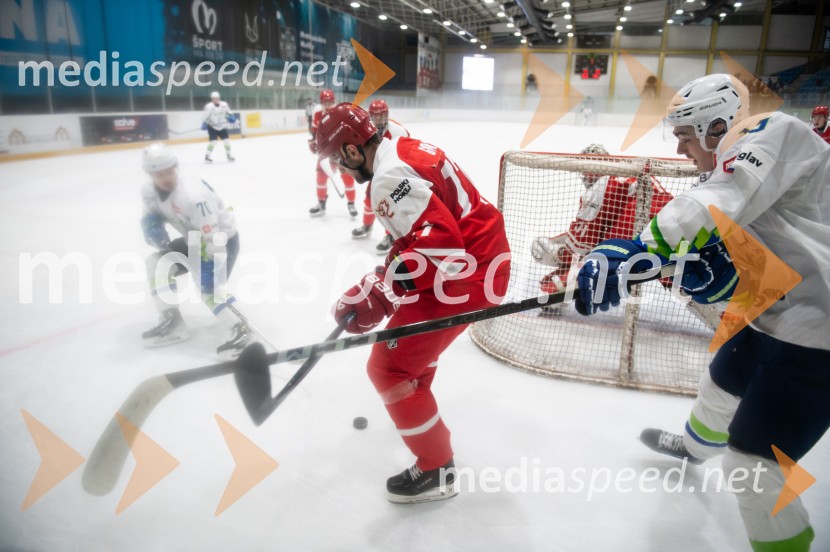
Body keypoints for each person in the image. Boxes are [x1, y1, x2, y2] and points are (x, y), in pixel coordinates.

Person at [576, 74, 830, 551]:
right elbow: (738, 245)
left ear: (717, 127)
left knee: (754, 467)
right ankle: (695, 448)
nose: (680, 149)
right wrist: (704, 273)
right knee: (719, 384)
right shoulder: (734, 168)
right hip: (782, 308)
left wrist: (640, 249)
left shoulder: (773, 131)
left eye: (685, 136)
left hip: (820, 332)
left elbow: (716, 202)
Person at [316, 103, 511, 504]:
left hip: (469, 274)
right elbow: (425, 237)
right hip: (477, 262)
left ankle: (437, 469)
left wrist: (385, 286)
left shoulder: (388, 177)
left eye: (338, 159)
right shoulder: (402, 147)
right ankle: (417, 405)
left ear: (352, 150)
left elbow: (442, 247)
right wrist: (384, 277)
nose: (339, 169)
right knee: (408, 358)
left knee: (388, 369)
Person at [531, 143, 673, 316]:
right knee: (673, 268)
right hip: (673, 221)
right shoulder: (629, 173)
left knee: (597, 259)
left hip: (640, 228)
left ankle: (555, 295)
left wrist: (556, 254)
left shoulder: (602, 185)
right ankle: (680, 285)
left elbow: (581, 246)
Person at [140, 143, 253, 359]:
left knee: (207, 286)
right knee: (157, 264)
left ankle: (241, 328)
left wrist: (210, 268)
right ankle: (173, 322)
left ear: (175, 167)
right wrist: (151, 226)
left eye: (169, 171)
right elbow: (150, 214)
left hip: (221, 241)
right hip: (193, 240)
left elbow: (214, 237)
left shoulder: (193, 196)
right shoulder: (149, 192)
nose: (166, 177)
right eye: (160, 174)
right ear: (149, 174)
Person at [351, 99, 411, 255]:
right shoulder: (365, 130)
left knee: (391, 204)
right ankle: (367, 225)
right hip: (376, 171)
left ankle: (390, 235)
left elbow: (408, 150)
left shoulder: (398, 131)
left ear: (387, 115)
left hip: (394, 173)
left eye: (382, 116)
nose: (378, 120)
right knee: (369, 200)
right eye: (375, 116)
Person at [307, 89, 357, 217]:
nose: (327, 105)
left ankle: (351, 204)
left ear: (333, 102)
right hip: (325, 151)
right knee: (321, 177)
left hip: (340, 151)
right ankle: (321, 203)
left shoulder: (340, 113)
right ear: (321, 102)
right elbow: (314, 132)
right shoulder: (318, 113)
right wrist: (313, 142)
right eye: (325, 102)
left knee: (347, 177)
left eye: (329, 102)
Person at [202, 91, 235, 163]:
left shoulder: (224, 105)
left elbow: (229, 112)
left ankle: (229, 155)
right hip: (212, 127)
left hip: (222, 127)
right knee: (213, 142)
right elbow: (205, 117)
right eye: (214, 98)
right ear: (212, 99)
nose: (215, 100)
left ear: (219, 98)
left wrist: (231, 117)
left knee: (227, 141)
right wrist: (204, 123)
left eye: (216, 98)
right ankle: (207, 156)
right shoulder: (209, 107)